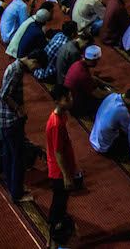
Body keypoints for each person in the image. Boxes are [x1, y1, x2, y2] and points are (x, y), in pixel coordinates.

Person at [44, 85, 83, 238]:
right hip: (58, 172)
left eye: (70, 96)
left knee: (62, 201)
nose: (71, 100)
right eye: (67, 98)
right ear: (57, 101)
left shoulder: (63, 115)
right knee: (59, 203)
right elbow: (58, 152)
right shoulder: (56, 124)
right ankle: (53, 234)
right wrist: (67, 176)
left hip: (64, 166)